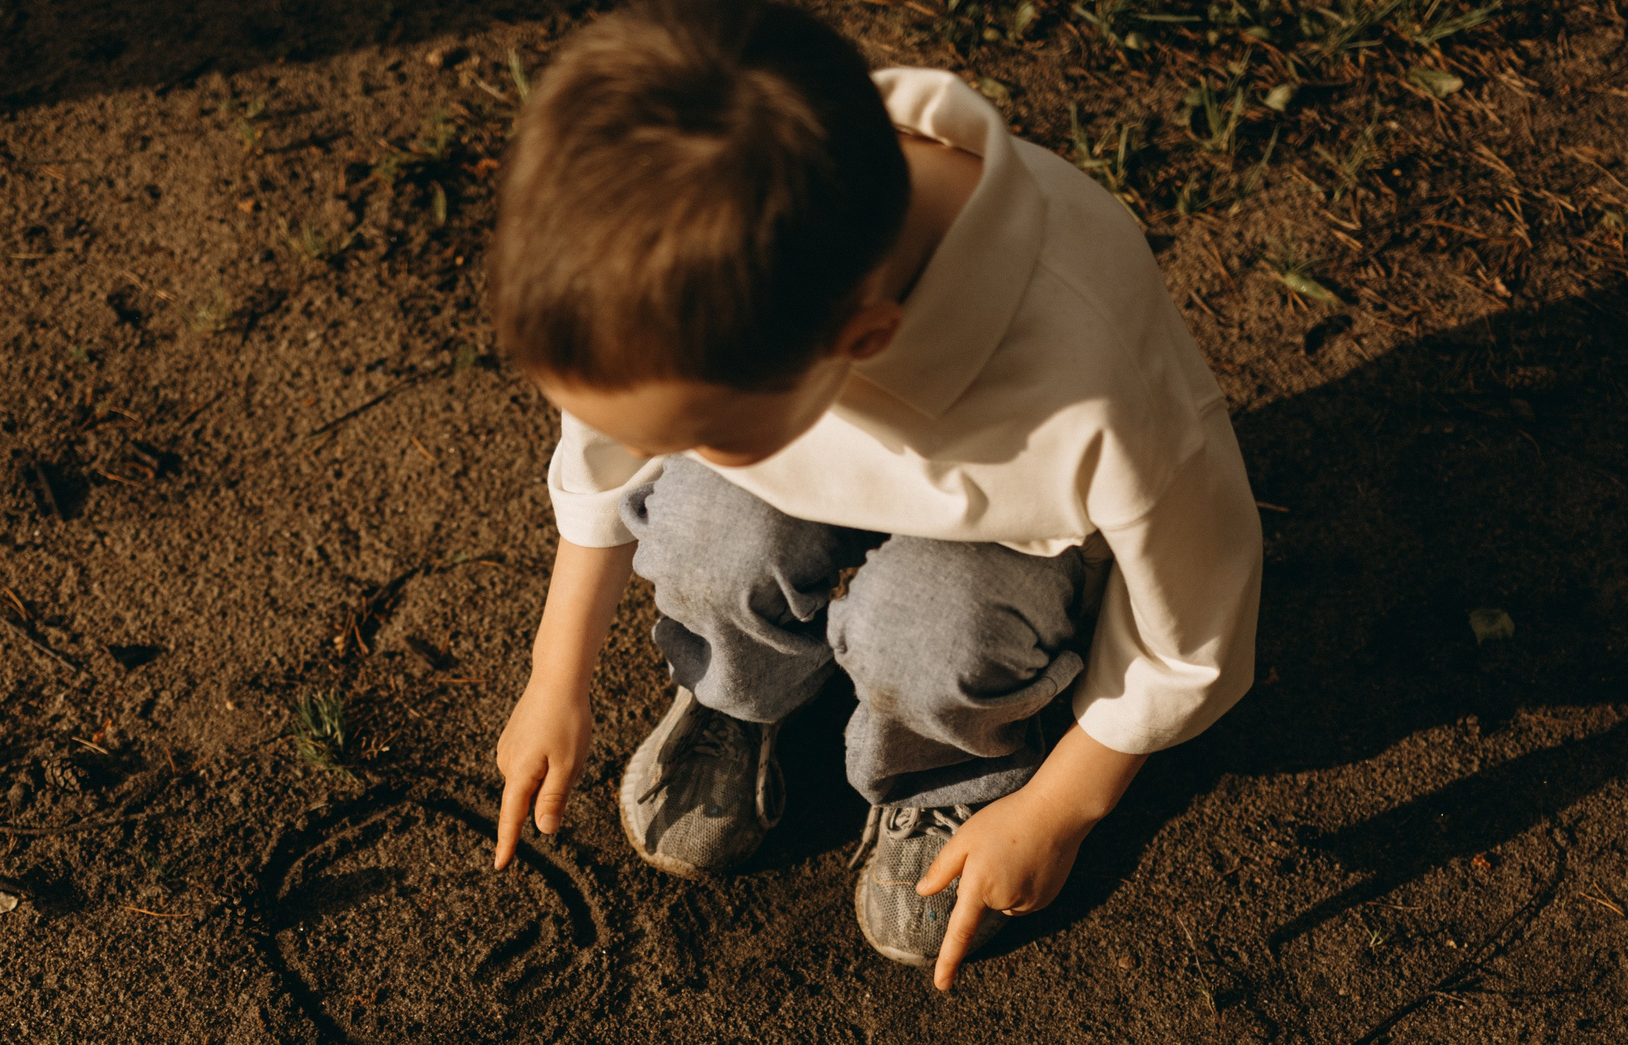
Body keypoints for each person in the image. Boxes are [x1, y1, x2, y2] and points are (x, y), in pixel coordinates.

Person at [485, 0, 1262, 991]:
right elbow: (608, 447)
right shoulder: (690, 280)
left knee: (932, 629)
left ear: (860, 346)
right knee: (705, 529)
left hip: (1008, 538)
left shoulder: (1086, 378)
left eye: (691, 431)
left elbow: (1188, 625)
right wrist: (558, 676)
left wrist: (1064, 804)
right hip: (803, 449)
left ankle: (950, 769)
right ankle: (740, 687)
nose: (651, 450)